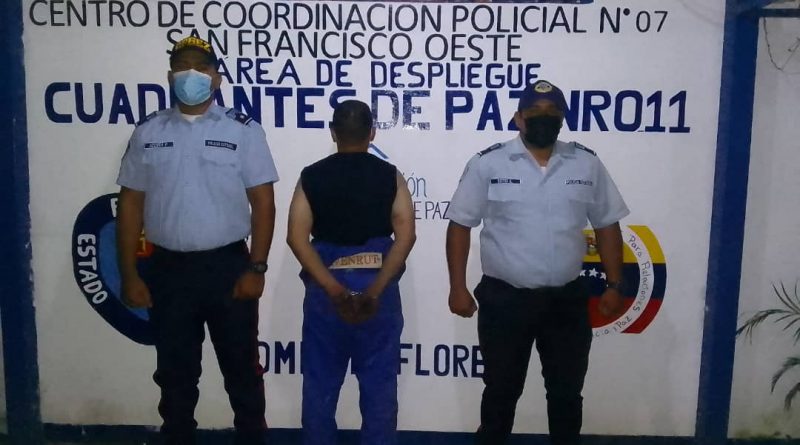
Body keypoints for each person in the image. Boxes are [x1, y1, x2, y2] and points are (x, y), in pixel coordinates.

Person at [445, 80, 629, 445]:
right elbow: (460, 225)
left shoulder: (586, 163)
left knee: (566, 394)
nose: (544, 118)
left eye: (552, 113)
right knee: (500, 391)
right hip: (505, 301)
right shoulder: (488, 163)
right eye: (534, 112)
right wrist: (457, 287)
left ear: (562, 119)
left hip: (566, 302)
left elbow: (607, 224)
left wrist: (615, 283)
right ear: (518, 118)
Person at [115, 36, 278, 445]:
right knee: (175, 374)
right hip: (168, 270)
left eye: (201, 67)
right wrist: (129, 273)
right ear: (170, 76)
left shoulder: (242, 130)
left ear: (216, 78)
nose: (191, 74)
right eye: (182, 66)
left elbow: (263, 203)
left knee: (241, 369)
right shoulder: (149, 131)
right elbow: (130, 205)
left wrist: (257, 267)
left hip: (228, 268)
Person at [286, 100, 416, 445]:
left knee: (320, 385)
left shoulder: (311, 176)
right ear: (372, 133)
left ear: (333, 132)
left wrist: (335, 290)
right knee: (379, 386)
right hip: (378, 285)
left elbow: (296, 238)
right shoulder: (390, 175)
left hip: (326, 289)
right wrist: (374, 291)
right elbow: (406, 236)